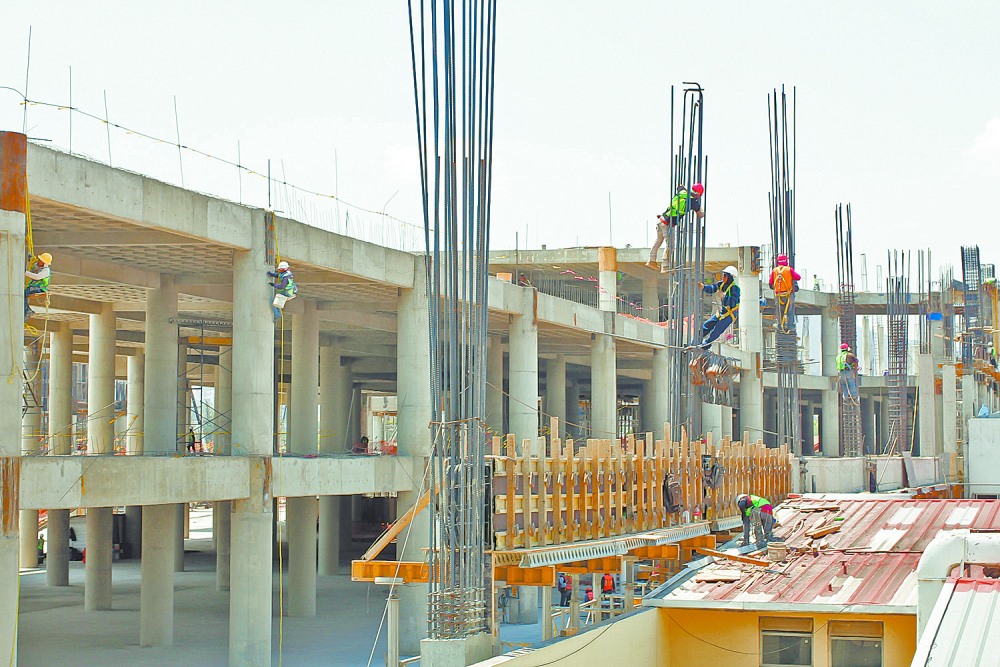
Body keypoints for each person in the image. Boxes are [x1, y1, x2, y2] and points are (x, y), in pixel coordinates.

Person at [646, 183, 704, 271]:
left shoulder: (682, 192)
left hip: (661, 220)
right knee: (671, 245)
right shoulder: (693, 202)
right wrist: (701, 210)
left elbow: (679, 186)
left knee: (658, 241)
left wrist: (682, 186)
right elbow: (700, 215)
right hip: (668, 224)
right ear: (698, 194)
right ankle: (665, 266)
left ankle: (651, 260)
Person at [696, 266, 740, 349]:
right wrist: (703, 287)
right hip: (722, 312)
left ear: (730, 277)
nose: (723, 277)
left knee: (716, 331)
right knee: (707, 325)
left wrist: (724, 296)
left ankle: (705, 346)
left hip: (729, 314)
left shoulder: (735, 288)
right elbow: (713, 288)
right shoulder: (722, 284)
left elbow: (733, 302)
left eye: (725, 276)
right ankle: (696, 340)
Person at [769, 254, 801, 332]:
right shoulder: (789, 269)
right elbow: (798, 277)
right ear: (786, 260)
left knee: (779, 310)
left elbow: (770, 283)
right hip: (788, 295)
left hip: (779, 295)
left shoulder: (774, 270)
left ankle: (780, 324)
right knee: (790, 310)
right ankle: (790, 325)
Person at [24, 252, 52, 319]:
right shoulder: (36, 266)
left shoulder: (46, 270)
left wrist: (25, 272)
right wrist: (29, 260)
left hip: (40, 287)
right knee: (24, 293)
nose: (39, 261)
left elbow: (37, 277)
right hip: (33, 286)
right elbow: (29, 269)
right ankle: (26, 309)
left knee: (24, 293)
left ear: (44, 263)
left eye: (41, 261)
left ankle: (27, 309)